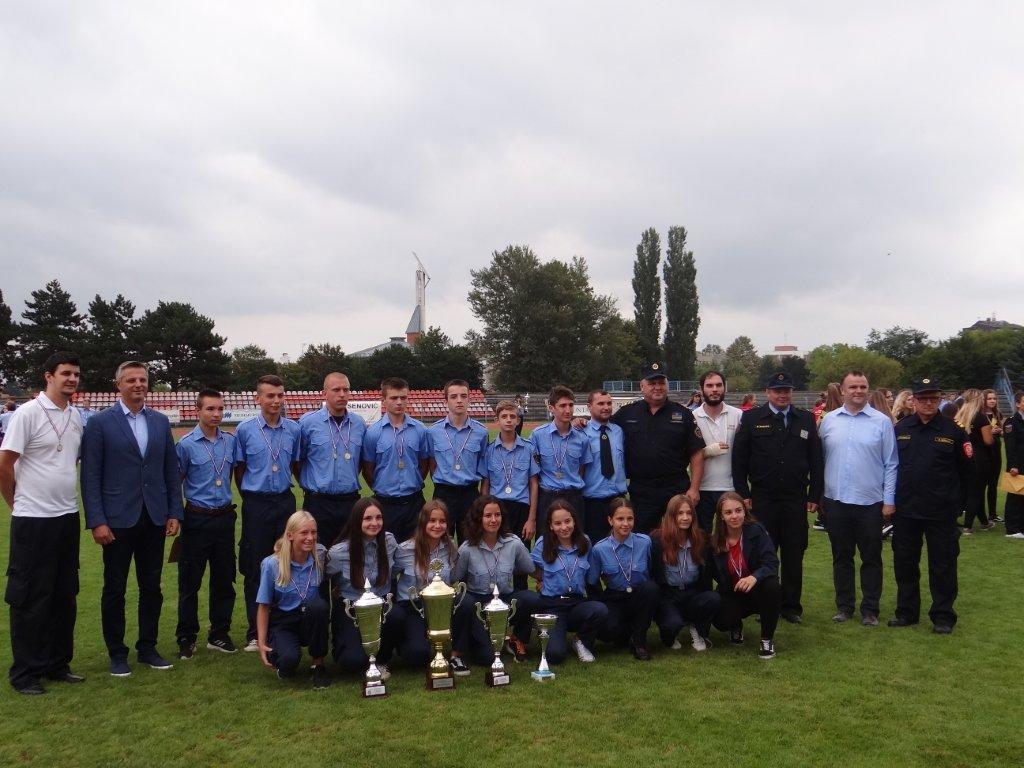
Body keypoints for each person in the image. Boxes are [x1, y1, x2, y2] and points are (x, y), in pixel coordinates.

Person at [81, 361, 181, 676]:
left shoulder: (160, 422)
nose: (138, 384)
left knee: (152, 586)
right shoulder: (100, 423)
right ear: (118, 384)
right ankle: (117, 653)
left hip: (153, 517)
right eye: (131, 380)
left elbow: (169, 470)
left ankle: (148, 647)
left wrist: (174, 511)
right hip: (117, 520)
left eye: (143, 379)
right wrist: (97, 520)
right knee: (115, 588)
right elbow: (90, 475)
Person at [0, 352, 85, 695]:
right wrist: (15, 502)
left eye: (76, 374)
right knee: (31, 597)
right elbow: (5, 464)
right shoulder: (27, 414)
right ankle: (25, 673)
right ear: (49, 376)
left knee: (65, 593)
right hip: (33, 519)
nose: (72, 379)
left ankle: (56, 664)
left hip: (66, 515)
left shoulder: (76, 415)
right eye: (65, 373)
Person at [731, 371, 823, 624]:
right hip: (763, 499)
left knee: (794, 553)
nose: (783, 394)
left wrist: (815, 494)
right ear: (768, 393)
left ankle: (791, 606)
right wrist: (743, 494)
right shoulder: (752, 419)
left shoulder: (805, 419)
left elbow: (816, 460)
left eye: (787, 390)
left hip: (795, 499)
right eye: (778, 390)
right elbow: (739, 460)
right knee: (764, 553)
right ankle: (765, 603)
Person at [890, 378, 971, 634]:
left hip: (941, 511)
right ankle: (907, 612)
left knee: (943, 565)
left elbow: (968, 472)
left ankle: (943, 616)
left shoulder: (953, 431)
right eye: (922, 398)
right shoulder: (901, 429)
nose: (927, 403)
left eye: (933, 398)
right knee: (905, 563)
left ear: (939, 400)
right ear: (913, 400)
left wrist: (959, 506)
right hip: (907, 510)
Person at [818, 371, 898, 626]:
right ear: (842, 391)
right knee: (841, 557)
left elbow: (891, 463)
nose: (858, 391)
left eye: (863, 386)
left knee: (871, 558)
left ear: (868, 389)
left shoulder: (881, 422)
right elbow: (819, 461)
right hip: (836, 501)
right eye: (852, 387)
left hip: (870, 502)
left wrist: (889, 500)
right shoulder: (828, 421)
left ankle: (870, 609)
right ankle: (844, 607)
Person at [234, 374, 301, 651]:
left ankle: (283, 625)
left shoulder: (293, 430)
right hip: (257, 504)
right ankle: (254, 631)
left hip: (285, 502)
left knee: (287, 563)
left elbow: (296, 464)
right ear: (257, 398)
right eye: (270, 396)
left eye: (280, 395)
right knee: (256, 567)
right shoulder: (245, 430)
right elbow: (239, 471)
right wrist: (253, 495)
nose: (275, 401)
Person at [174, 389, 238, 659]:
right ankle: (187, 637)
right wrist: (175, 517)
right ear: (198, 411)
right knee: (190, 582)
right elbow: (175, 482)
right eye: (210, 409)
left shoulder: (230, 442)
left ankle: (219, 634)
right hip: (197, 518)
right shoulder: (186, 444)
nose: (216, 414)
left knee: (224, 580)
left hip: (224, 518)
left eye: (220, 409)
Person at [611, 362, 705, 533]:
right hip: (642, 489)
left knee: (680, 535)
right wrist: (579, 422)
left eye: (661, 383)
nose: (657, 387)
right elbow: (603, 427)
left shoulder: (683, 414)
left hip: (676, 487)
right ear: (642, 386)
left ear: (667, 385)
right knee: (643, 538)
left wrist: (694, 488)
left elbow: (697, 453)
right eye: (652, 383)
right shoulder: (627, 413)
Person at [450, 495, 540, 669]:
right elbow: (454, 578)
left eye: (497, 515)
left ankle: (516, 640)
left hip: (505, 600)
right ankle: (459, 650)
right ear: (478, 518)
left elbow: (531, 569)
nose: (493, 520)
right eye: (488, 516)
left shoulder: (514, 543)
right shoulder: (467, 548)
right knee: (485, 657)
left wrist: (546, 580)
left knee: (531, 598)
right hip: (478, 604)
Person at [255, 511, 329, 689]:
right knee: (289, 661)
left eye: (313, 532)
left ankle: (318, 664)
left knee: (319, 606)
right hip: (285, 621)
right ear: (290, 535)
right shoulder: (271, 565)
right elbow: (263, 606)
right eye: (304, 533)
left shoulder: (320, 556)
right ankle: (283, 658)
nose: (310, 538)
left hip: (311, 617)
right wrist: (261, 642)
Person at [326, 498, 399, 674]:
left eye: (378, 517)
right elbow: (322, 578)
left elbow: (398, 568)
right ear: (357, 520)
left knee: (398, 615)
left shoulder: (389, 542)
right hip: (351, 610)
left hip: (381, 607)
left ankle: (382, 658)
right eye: (368, 519)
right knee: (352, 662)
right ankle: (341, 643)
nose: (374, 523)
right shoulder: (338, 553)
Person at [531, 500, 608, 664]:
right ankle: (547, 632)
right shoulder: (542, 544)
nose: (564, 527)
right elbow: (530, 567)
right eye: (557, 523)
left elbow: (591, 575)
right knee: (555, 656)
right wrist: (542, 578)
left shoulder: (585, 542)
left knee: (599, 610)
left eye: (567, 521)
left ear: (574, 520)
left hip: (576, 604)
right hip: (553, 606)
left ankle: (580, 640)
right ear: (550, 525)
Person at [298, 372, 366, 550]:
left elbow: (358, 463)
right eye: (336, 390)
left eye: (346, 390)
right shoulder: (307, 423)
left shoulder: (359, 424)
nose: (342, 394)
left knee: (347, 561)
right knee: (316, 557)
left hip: (349, 502)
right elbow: (298, 461)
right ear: (324, 393)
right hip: (318, 503)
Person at [389, 500, 459, 671]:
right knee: (417, 656)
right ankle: (402, 640)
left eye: (442, 521)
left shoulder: (451, 548)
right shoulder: (404, 550)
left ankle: (457, 654)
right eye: (432, 521)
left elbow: (454, 578)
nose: (437, 525)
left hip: (440, 606)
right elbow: (390, 575)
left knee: (466, 605)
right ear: (423, 522)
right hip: (412, 606)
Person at [709, 492, 781, 658]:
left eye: (738, 510)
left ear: (744, 511)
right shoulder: (714, 543)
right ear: (721, 516)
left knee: (772, 586)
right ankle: (735, 626)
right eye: (728, 512)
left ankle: (767, 639)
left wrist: (754, 577)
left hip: (757, 589)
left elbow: (771, 563)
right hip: (732, 592)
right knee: (720, 618)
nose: (734, 516)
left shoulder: (756, 532)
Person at [587, 498, 658, 661]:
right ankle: (626, 631)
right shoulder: (599, 549)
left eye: (630, 519)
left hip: (639, 594)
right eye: (620, 519)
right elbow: (592, 581)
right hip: (615, 597)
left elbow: (653, 570)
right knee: (608, 632)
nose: (625, 524)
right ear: (610, 520)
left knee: (651, 588)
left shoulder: (645, 542)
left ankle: (639, 641)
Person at [361, 377, 430, 541]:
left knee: (416, 552)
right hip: (385, 504)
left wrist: (413, 481)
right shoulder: (373, 433)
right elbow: (368, 469)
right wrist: (382, 486)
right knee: (386, 553)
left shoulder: (420, 430)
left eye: (403, 397)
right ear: (383, 400)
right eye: (393, 398)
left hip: (414, 502)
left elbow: (424, 465)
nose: (399, 402)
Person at [650, 494, 720, 652]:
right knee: (671, 626)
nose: (685, 517)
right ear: (671, 516)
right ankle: (671, 630)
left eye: (689, 513)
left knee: (713, 598)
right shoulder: (656, 540)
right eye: (680, 513)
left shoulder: (701, 539)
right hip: (668, 595)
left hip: (692, 592)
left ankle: (697, 627)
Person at [480, 399, 539, 566]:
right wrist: (484, 513)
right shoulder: (489, 450)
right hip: (497, 509)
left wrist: (531, 519)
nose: (508, 420)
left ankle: (520, 592)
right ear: (496, 420)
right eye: (504, 416)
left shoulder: (528, 449)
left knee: (520, 559)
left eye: (512, 416)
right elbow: (485, 484)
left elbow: (534, 484)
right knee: (496, 558)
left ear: (518, 420)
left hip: (521, 508)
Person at [428, 379, 489, 538]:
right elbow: (431, 464)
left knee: (470, 542)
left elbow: (483, 466)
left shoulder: (481, 432)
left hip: (470, 493)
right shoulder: (433, 432)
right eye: (454, 396)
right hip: (443, 492)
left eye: (463, 396)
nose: (459, 400)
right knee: (440, 541)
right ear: (446, 400)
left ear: (470, 399)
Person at [531, 386, 591, 532]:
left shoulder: (582, 438)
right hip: (547, 497)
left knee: (576, 543)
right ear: (551, 408)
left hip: (573, 497)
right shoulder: (538, 435)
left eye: (571, 405)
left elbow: (582, 469)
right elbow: (534, 471)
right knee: (546, 544)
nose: (568, 410)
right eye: (562, 406)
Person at [692, 370, 742, 534]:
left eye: (719, 385)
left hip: (731, 488)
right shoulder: (692, 417)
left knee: (730, 537)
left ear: (724, 388)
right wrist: (705, 452)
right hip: (702, 489)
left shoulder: (738, 415)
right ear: (701, 389)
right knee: (702, 539)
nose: (715, 389)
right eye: (710, 385)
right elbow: (682, 455)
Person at [580, 390, 627, 545]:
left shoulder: (619, 431)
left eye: (608, 403)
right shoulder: (580, 433)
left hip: (618, 499)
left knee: (621, 545)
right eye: (600, 403)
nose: (606, 407)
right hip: (593, 502)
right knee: (595, 547)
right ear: (589, 406)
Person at [955, 389, 995, 534]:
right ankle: (968, 525)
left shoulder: (958, 417)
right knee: (976, 493)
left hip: (963, 457)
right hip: (980, 458)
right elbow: (988, 441)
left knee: (969, 490)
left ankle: (984, 521)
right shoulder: (981, 418)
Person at [980, 389, 1004, 524]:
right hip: (984, 451)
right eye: (989, 399)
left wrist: (999, 431)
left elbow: (1002, 432)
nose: (992, 401)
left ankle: (993, 514)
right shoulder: (980, 415)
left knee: (993, 484)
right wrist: (990, 431)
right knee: (982, 484)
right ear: (984, 400)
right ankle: (981, 513)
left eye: (994, 398)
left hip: (996, 449)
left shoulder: (997, 414)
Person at [1003, 391, 1024, 539]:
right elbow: (1011, 446)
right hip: (1017, 464)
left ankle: (1021, 526)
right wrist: (1013, 465)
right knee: (1014, 496)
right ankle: (1012, 528)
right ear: (1018, 404)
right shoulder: (1011, 422)